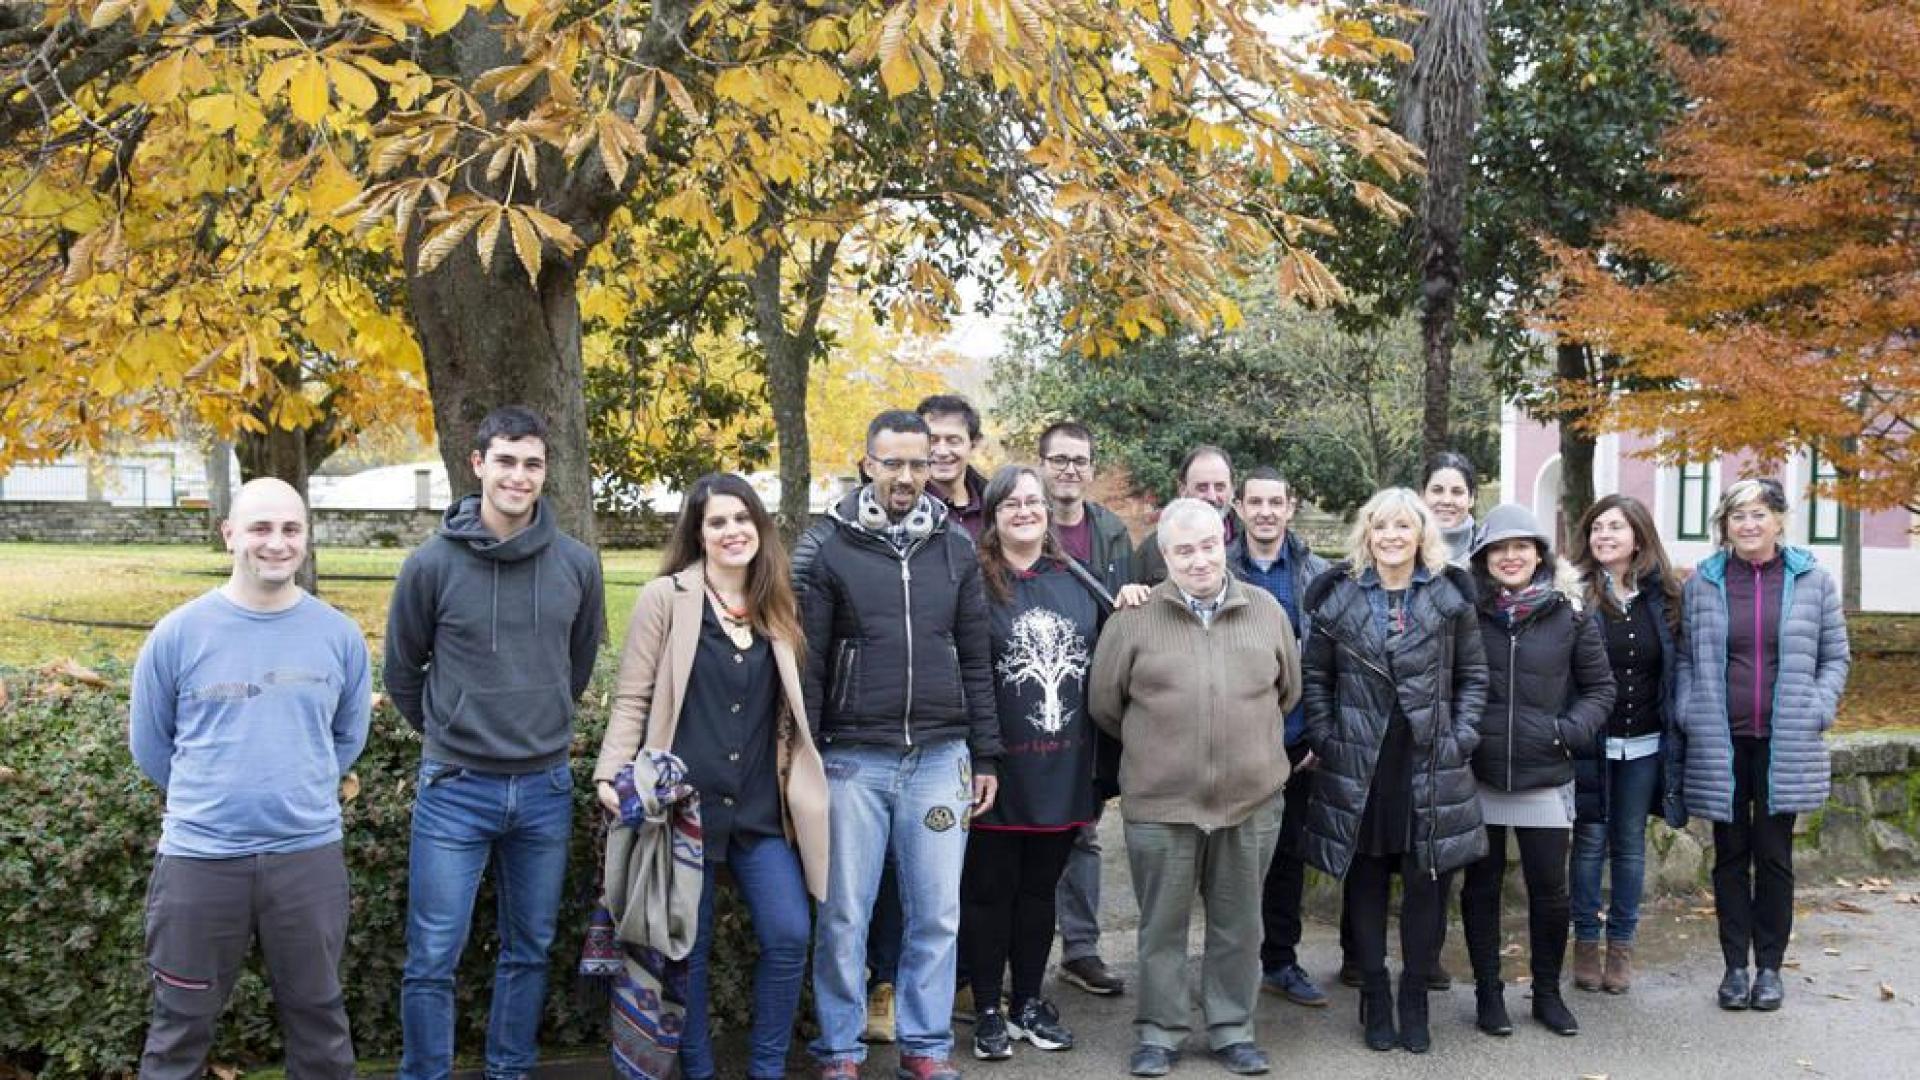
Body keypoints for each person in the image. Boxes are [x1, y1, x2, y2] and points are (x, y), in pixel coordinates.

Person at [385, 406, 607, 1080]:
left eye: (532, 463)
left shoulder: (577, 565)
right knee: (432, 954)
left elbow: (575, 666)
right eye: (505, 460)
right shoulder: (430, 565)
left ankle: (510, 1069)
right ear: (478, 463)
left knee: (530, 949)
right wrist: (455, 734)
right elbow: (402, 671)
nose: (519, 475)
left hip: (543, 790)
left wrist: (533, 726)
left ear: (546, 473)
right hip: (455, 789)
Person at [129, 479, 372, 1080]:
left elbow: (345, 739)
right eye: (260, 528)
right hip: (200, 860)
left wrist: (295, 787)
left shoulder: (338, 636)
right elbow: (152, 746)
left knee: (320, 1025)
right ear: (229, 534)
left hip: (306, 858)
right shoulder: (178, 634)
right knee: (178, 1029)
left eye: (290, 529)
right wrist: (216, 798)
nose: (276, 542)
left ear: (306, 538)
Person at [595, 473, 830, 1080]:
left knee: (788, 933)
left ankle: (767, 1070)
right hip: (682, 813)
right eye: (717, 522)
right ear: (697, 534)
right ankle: (698, 1072)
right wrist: (610, 774)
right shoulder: (665, 599)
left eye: (742, 518)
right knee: (687, 951)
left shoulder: (779, 602)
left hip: (759, 809)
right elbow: (632, 697)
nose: (733, 531)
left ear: (760, 526)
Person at [794, 409, 1003, 1080]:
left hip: (941, 761)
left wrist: (986, 754)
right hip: (853, 759)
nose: (907, 476)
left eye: (918, 463)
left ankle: (925, 1047)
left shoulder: (956, 547)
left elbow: (977, 655)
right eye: (893, 463)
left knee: (937, 915)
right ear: (867, 464)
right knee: (845, 915)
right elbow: (808, 664)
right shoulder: (828, 546)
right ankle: (839, 1051)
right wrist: (799, 753)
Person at [1090, 498, 1300, 1078]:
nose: (1200, 559)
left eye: (1208, 545)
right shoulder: (1131, 619)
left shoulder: (1265, 611)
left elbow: (1288, 691)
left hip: (1251, 801)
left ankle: (1233, 1029)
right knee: (1162, 926)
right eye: (1184, 550)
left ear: (1224, 540)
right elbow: (1106, 706)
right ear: (1165, 556)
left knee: (1239, 923)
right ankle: (1159, 1031)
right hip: (1161, 805)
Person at [1299, 487, 1488, 1055]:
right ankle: (1375, 991)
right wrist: (1330, 739)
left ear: (1421, 534)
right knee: (1367, 881)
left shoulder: (1451, 596)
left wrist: (1462, 736)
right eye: (1381, 526)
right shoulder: (1339, 597)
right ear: (1367, 533)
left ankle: (1414, 995)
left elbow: (1474, 676)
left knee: (1427, 883)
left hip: (1429, 758)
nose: (1391, 537)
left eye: (1403, 527)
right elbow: (1316, 680)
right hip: (1362, 761)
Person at [1676, 478, 1849, 1013]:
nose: (1747, 525)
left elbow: (1835, 656)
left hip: (1785, 741)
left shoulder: (1813, 581)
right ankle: (1733, 968)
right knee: (1729, 855)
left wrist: (1819, 707)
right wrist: (1688, 707)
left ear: (1779, 520)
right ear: (1724, 525)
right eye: (1736, 515)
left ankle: (1770, 968)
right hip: (1720, 741)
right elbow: (1685, 657)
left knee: (1774, 857)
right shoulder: (1702, 583)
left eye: (1757, 514)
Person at [963, 466, 1114, 1061]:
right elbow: (970, 678)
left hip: (1064, 767)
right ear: (992, 515)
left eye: (1034, 502)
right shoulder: (972, 583)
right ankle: (989, 1009)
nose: (1025, 511)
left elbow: (1116, 657)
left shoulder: (1078, 580)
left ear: (1048, 512)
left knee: (1039, 893)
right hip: (997, 771)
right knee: (989, 892)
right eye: (1011, 503)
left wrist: (1130, 598)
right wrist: (981, 755)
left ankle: (1028, 999)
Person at [1460, 504, 1614, 1039]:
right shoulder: (1467, 613)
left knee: (1550, 891)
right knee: (1481, 887)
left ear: (1539, 555)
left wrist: (1563, 732)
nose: (1510, 556)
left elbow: (1600, 690)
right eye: (1499, 548)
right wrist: (1467, 734)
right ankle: (1488, 994)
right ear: (1483, 558)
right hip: (1478, 772)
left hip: (1545, 771)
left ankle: (1546, 993)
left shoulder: (1570, 614)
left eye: (1521, 546)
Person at [1569, 494, 1687, 994]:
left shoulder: (1666, 597)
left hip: (1645, 744)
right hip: (1592, 743)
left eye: (1615, 527)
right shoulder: (1574, 594)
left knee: (1630, 847)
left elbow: (1676, 665)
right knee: (1590, 844)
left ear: (1638, 535)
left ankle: (1622, 946)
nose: (1604, 536)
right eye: (1597, 528)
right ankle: (1587, 945)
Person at [1038, 421, 1135, 998]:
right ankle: (1008, 955)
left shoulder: (1112, 533)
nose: (1069, 469)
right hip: (1034, 693)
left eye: (1080, 460)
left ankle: (1081, 949)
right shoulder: (1023, 518)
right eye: (1059, 459)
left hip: (1090, 706)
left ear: (1091, 468)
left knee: (1083, 829)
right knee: (1020, 832)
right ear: (1042, 464)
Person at [1229, 468, 1333, 1009]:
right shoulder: (1216, 567)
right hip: (1233, 744)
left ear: (1290, 507)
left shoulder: (1318, 574)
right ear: (1240, 508)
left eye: (1276, 501)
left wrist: (1320, 727)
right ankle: (1229, 967)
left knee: (1289, 856)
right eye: (1256, 502)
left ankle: (1281, 961)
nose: (1266, 511)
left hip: (1295, 743)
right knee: (1230, 861)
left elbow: (1329, 661)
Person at [1133, 445, 1240, 587]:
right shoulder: (1152, 551)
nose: (1212, 496)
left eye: (1220, 487)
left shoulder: (1250, 543)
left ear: (1232, 490)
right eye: (1202, 487)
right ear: (1182, 490)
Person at [919, 394, 991, 539]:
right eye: (932, 441)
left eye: (953, 441)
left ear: (973, 444)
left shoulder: (994, 508)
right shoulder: (903, 507)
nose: (942, 452)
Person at [1421, 451, 1479, 567]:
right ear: (1422, 496)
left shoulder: (1486, 552)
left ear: (1471, 498)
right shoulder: (1403, 550)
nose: (1446, 501)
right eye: (1437, 490)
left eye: (1457, 492)